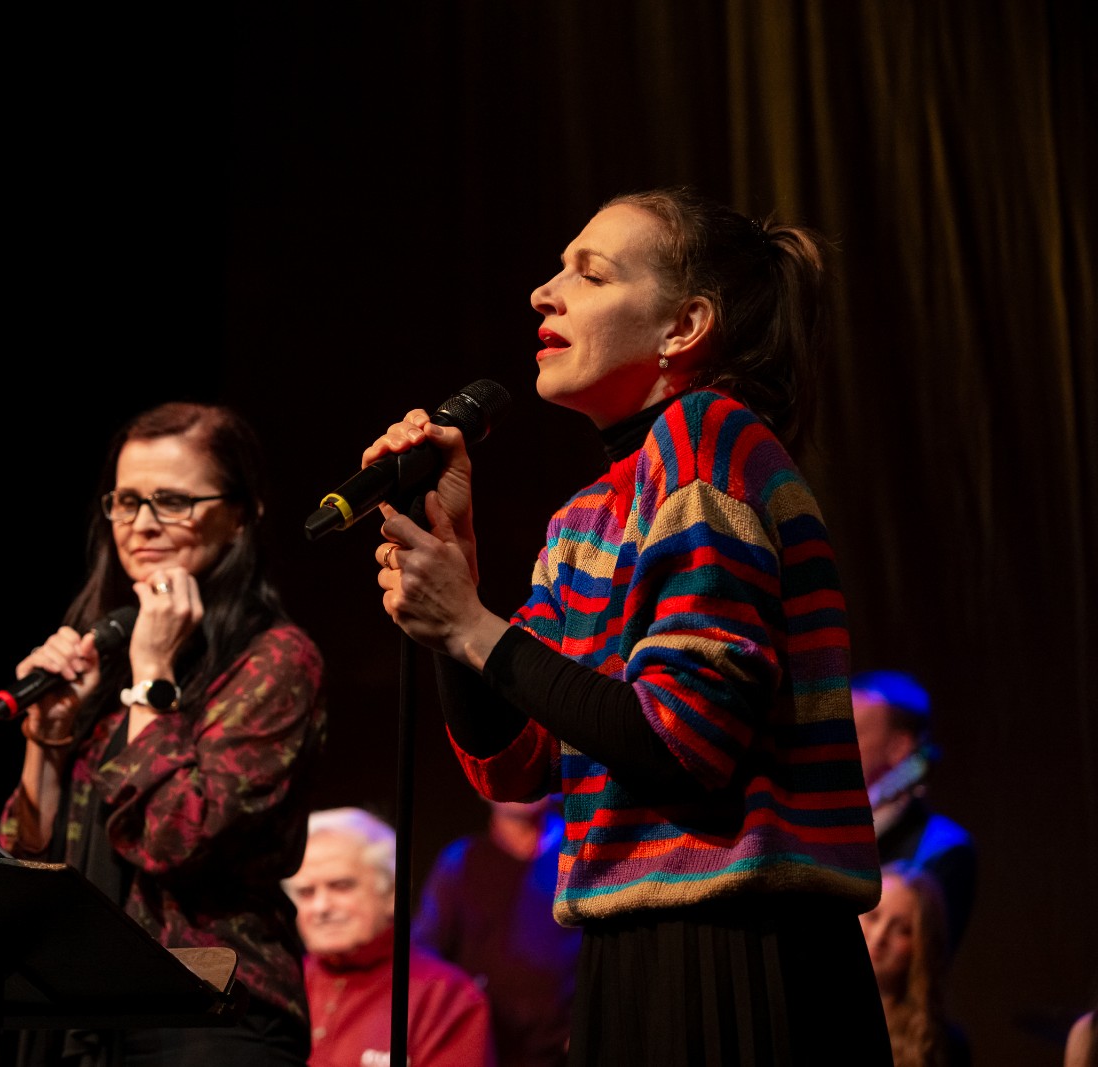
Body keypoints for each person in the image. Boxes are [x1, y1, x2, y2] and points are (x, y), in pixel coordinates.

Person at [357, 185, 891, 1064]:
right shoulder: (587, 515)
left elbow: (684, 739)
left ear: (684, 327)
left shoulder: (709, 438)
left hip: (736, 949)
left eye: (590, 273)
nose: (544, 293)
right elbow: (514, 761)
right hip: (630, 947)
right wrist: (455, 586)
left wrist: (473, 625)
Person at [0, 400, 328, 1066]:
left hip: (207, 1017)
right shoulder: (108, 654)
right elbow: (25, 864)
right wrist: (47, 741)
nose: (142, 524)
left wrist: (153, 680)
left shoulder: (276, 660)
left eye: (173, 501)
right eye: (126, 501)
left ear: (242, 514)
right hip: (76, 1012)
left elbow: (176, 840)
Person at [283, 806, 496, 1067]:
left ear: (392, 893)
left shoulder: (446, 998)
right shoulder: (278, 984)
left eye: (341, 886)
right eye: (306, 893)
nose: (321, 907)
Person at [412, 796, 581, 1067]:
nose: (520, 785)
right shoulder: (460, 861)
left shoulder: (582, 856)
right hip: (486, 1050)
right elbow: (425, 952)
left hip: (566, 1054)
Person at [851, 670, 977, 953]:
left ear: (899, 748)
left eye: (851, 734)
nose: (834, 746)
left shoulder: (942, 850)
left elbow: (923, 962)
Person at [861, 861, 972, 1067]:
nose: (879, 936)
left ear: (923, 948)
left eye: (903, 930)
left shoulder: (941, 1044)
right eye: (872, 916)